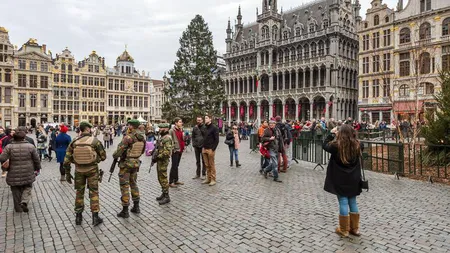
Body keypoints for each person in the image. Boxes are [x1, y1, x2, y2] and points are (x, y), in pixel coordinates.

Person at [323, 124, 364, 238]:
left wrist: (331, 134)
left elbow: (324, 145)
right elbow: (355, 142)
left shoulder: (336, 146)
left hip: (340, 178)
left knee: (343, 201)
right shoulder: (358, 145)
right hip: (354, 178)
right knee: (353, 201)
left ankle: (344, 229)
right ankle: (355, 229)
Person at [64, 122, 106, 226]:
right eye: (90, 128)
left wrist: (68, 174)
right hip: (92, 170)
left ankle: (78, 217)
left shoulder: (74, 142)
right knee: (94, 192)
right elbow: (103, 156)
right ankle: (95, 217)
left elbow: (66, 160)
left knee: (79, 192)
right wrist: (95, 159)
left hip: (79, 170)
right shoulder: (95, 141)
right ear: (87, 129)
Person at [0, 128, 41, 212]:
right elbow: (36, 159)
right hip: (28, 171)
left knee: (15, 190)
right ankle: (24, 201)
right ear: (24, 137)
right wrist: (37, 168)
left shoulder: (9, 147)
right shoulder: (30, 146)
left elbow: (2, 158)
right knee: (28, 186)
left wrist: (7, 161)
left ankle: (18, 208)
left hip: (13, 172)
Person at [113, 119, 146, 218]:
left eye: (129, 125)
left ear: (132, 126)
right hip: (135, 164)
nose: (128, 127)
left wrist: (115, 155)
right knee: (134, 183)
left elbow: (118, 152)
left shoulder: (128, 138)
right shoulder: (142, 138)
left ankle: (125, 210)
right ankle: (136, 206)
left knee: (124, 186)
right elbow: (142, 151)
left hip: (126, 165)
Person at [154, 123, 173, 205]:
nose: (159, 129)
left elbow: (167, 152)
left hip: (163, 160)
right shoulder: (162, 137)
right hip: (160, 160)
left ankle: (167, 196)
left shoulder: (167, 138)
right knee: (160, 177)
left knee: (163, 178)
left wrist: (158, 156)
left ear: (166, 129)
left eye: (161, 128)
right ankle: (163, 192)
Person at [202, 115, 219, 186]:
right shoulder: (205, 127)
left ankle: (213, 179)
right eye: (205, 118)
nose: (205, 119)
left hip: (210, 149)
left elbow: (216, 140)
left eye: (206, 118)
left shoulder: (214, 128)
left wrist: (213, 149)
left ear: (210, 119)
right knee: (206, 165)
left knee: (211, 164)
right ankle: (208, 178)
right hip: (204, 148)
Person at [168, 117, 185, 188]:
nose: (181, 123)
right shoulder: (172, 131)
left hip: (180, 149)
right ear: (176, 123)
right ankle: (171, 181)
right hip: (175, 150)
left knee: (176, 165)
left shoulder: (180, 129)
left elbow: (181, 139)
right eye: (180, 122)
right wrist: (172, 149)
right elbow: (169, 141)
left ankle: (176, 180)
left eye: (181, 122)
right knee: (174, 166)